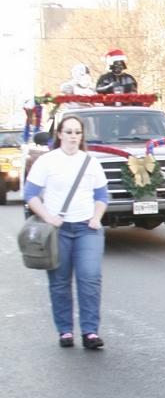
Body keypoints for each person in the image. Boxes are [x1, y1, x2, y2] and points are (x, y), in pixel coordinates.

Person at [24, 115, 109, 349]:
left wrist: (96, 217)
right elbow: (30, 193)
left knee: (89, 278)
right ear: (59, 134)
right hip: (57, 230)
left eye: (77, 132)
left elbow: (102, 196)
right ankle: (65, 331)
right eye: (68, 132)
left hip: (86, 229)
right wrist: (48, 217)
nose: (73, 136)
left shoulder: (90, 162)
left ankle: (90, 332)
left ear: (82, 136)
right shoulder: (47, 161)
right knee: (59, 281)